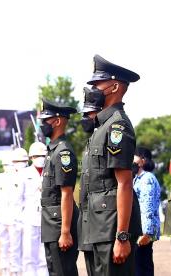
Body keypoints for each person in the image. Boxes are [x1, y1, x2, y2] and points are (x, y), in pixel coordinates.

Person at [83, 54, 142, 275]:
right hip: (98, 230)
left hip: (111, 230)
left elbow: (124, 183)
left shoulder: (117, 126)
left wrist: (122, 237)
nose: (93, 88)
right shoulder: (102, 126)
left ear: (114, 86)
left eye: (98, 83)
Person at [38, 99, 79, 276]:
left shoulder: (63, 152)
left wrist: (65, 232)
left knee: (63, 272)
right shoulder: (52, 151)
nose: (42, 125)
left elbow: (67, 193)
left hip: (59, 225)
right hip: (51, 223)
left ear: (57, 121)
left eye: (45, 120)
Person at [0, 147, 28, 276]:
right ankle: (5, 270)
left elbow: (24, 199)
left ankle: (16, 271)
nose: (8, 167)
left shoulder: (22, 177)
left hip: (17, 219)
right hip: (2, 218)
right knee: (4, 247)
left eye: (10, 164)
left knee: (16, 249)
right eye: (5, 164)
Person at [78, 86, 103, 275]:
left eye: (89, 113)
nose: (84, 118)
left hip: (103, 223)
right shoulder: (91, 141)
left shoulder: (106, 135)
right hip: (89, 222)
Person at [21, 142, 49, 276]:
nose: (40, 158)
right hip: (29, 218)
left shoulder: (50, 171)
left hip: (47, 218)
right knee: (28, 255)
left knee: (44, 256)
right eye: (37, 155)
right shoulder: (24, 173)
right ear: (31, 157)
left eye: (43, 155)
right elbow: (18, 198)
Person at [133, 147, 161, 276]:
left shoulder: (147, 179)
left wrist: (146, 233)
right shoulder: (137, 178)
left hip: (143, 232)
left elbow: (147, 207)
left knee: (142, 268)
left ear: (142, 160)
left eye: (134, 156)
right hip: (139, 230)